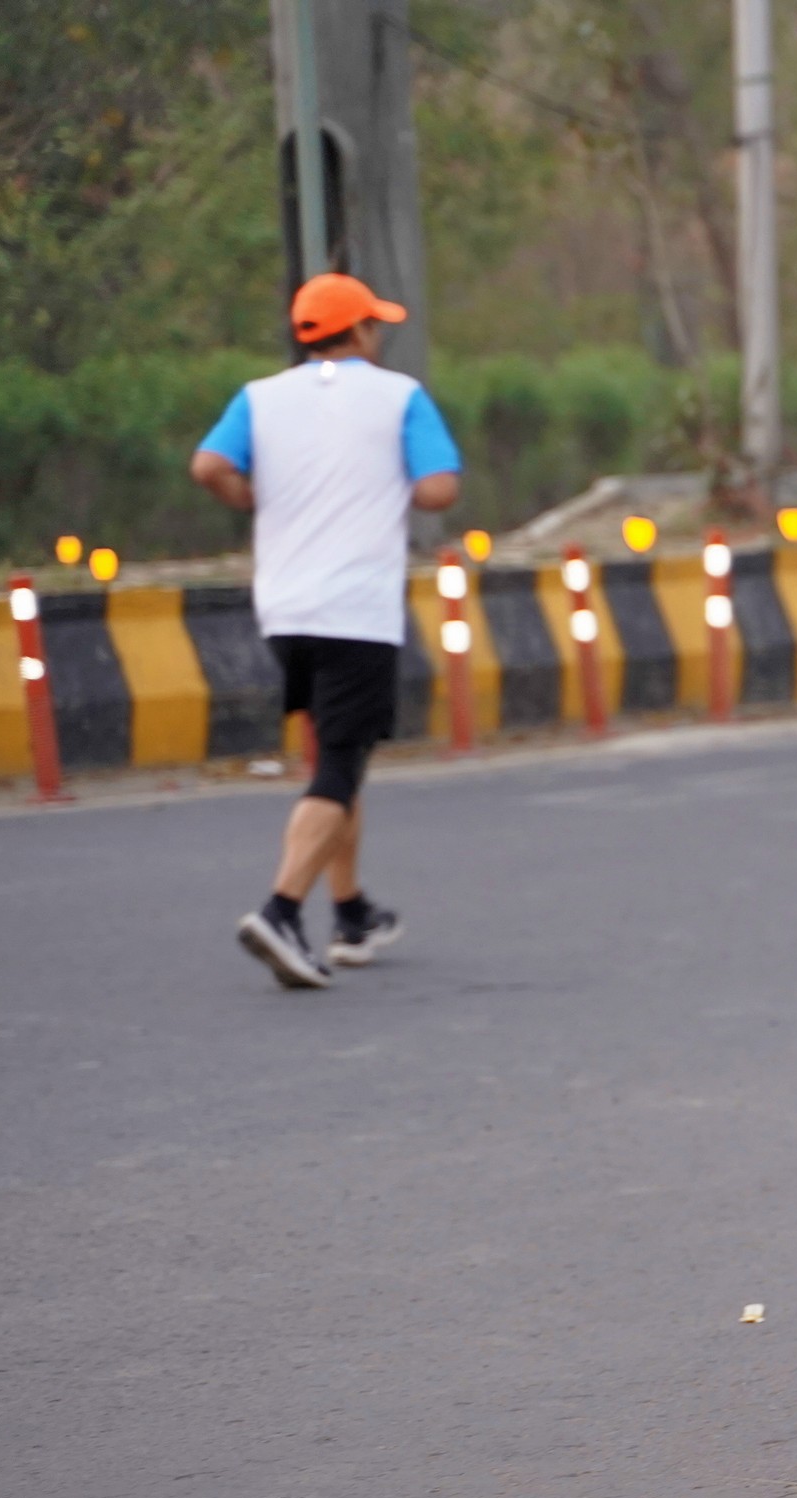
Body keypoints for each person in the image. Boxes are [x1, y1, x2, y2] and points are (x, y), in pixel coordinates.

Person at [190, 273, 462, 989]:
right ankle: (281, 910)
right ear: (362, 331)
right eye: (376, 326)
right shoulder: (399, 396)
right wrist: (386, 483)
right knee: (339, 766)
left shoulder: (260, 397)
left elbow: (209, 466)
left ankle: (350, 912)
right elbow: (439, 487)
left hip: (284, 608)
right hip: (357, 611)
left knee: (341, 754)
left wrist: (251, 497)